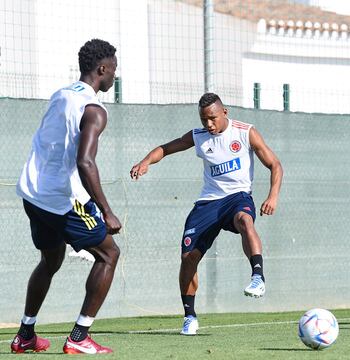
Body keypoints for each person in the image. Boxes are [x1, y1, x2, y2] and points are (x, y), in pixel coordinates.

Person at [130, 93, 283, 335]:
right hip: (208, 203)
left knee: (245, 220)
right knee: (188, 258)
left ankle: (257, 277)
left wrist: (272, 196)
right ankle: (189, 316)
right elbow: (166, 148)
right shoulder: (199, 136)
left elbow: (275, 164)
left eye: (212, 118)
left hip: (237, 197)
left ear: (225, 112)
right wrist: (145, 162)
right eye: (204, 120)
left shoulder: (245, 132)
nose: (208, 124)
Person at [11, 39, 121, 354]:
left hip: (34, 193)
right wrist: (106, 211)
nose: (114, 75)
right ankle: (79, 337)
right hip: (64, 198)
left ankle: (25, 335)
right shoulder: (94, 109)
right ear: (103, 69)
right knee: (109, 255)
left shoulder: (61, 94)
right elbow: (85, 162)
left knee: (51, 259)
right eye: (113, 69)